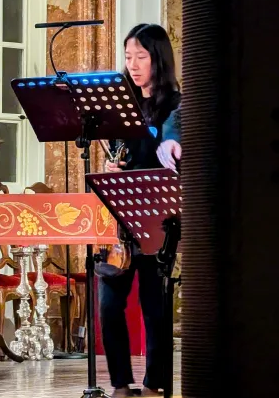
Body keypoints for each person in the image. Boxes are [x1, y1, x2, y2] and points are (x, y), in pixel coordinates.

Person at [99, 23, 181, 397]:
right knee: (109, 304)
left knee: (154, 305)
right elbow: (121, 154)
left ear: (158, 59)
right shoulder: (122, 104)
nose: (132, 64)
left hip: (157, 215)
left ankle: (154, 384)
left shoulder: (175, 105)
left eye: (141, 57)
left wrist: (170, 149)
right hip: (120, 219)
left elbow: (174, 148)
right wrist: (112, 167)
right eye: (128, 56)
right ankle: (120, 382)